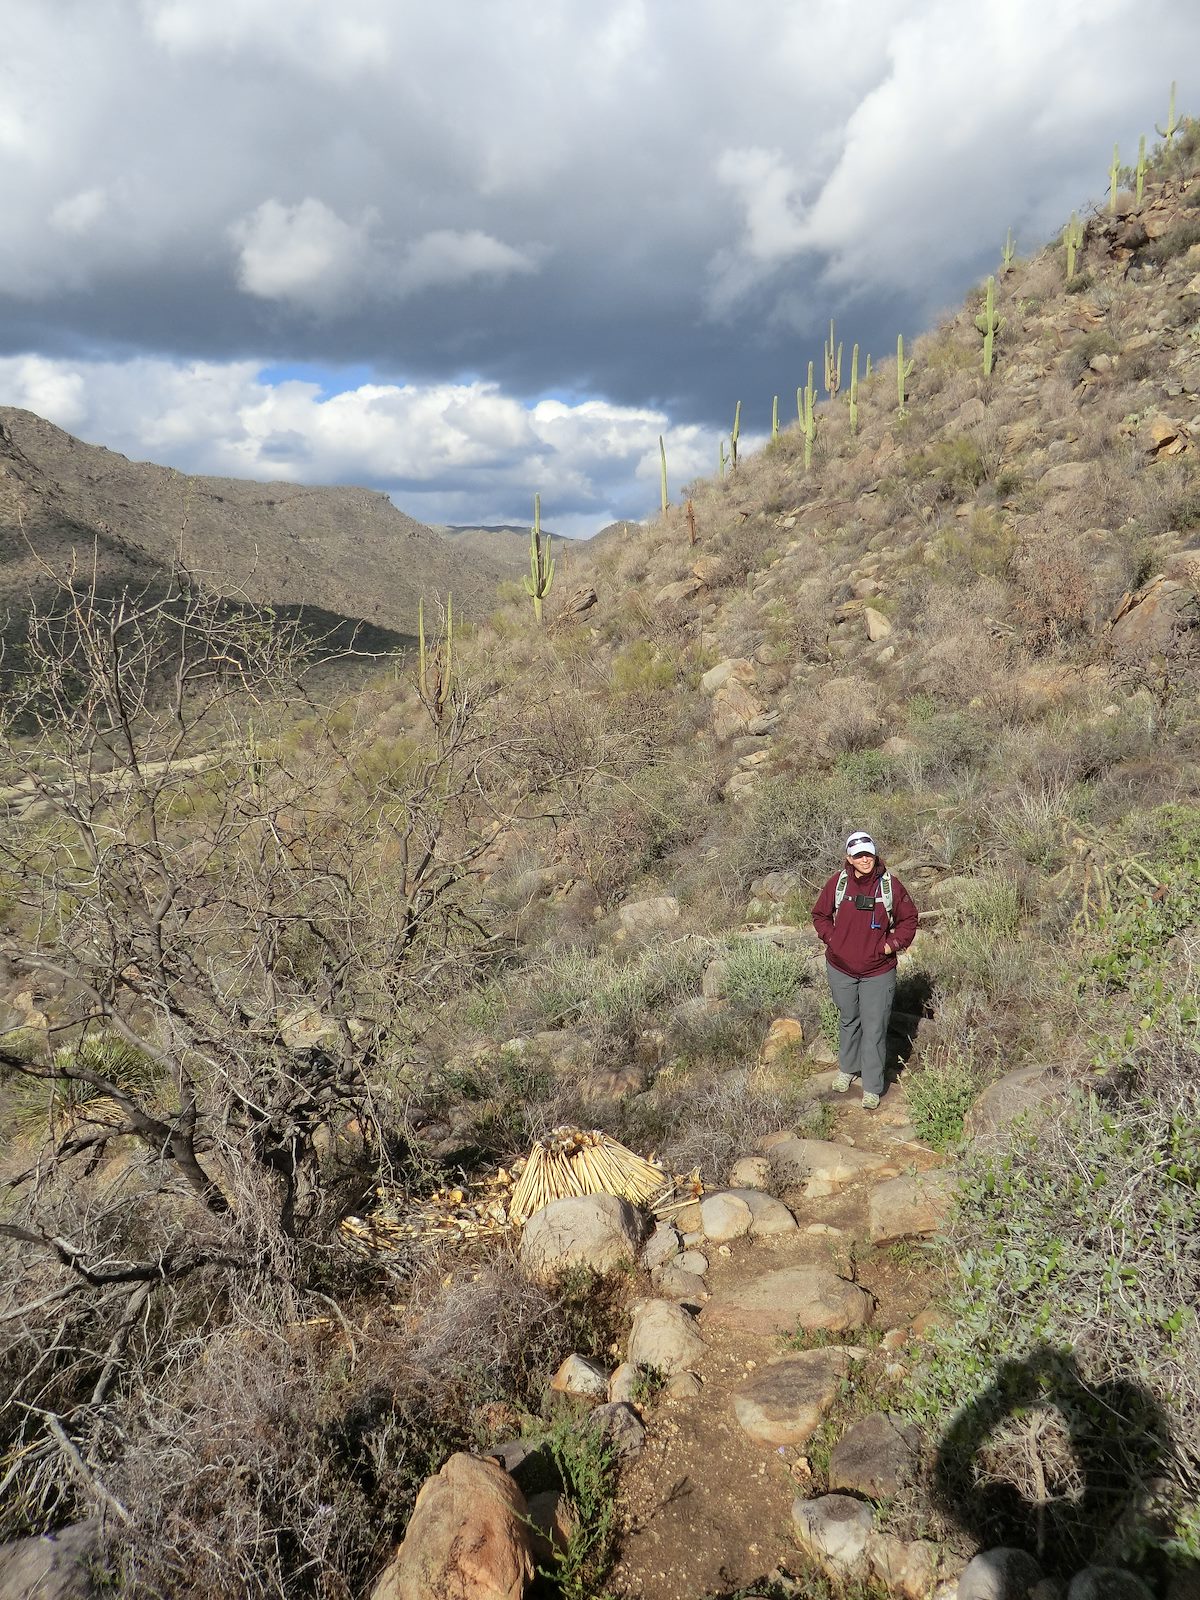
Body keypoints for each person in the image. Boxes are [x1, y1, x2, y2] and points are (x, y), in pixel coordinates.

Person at [811, 830, 919, 1109]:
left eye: (868, 854)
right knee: (849, 1019)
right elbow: (820, 915)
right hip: (841, 968)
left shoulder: (889, 886)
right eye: (858, 855)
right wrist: (833, 940)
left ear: (875, 854)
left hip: (878, 971)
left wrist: (890, 945)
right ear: (849, 857)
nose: (864, 859)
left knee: (874, 1027)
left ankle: (872, 1086)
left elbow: (909, 920)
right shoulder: (838, 883)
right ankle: (847, 1069)